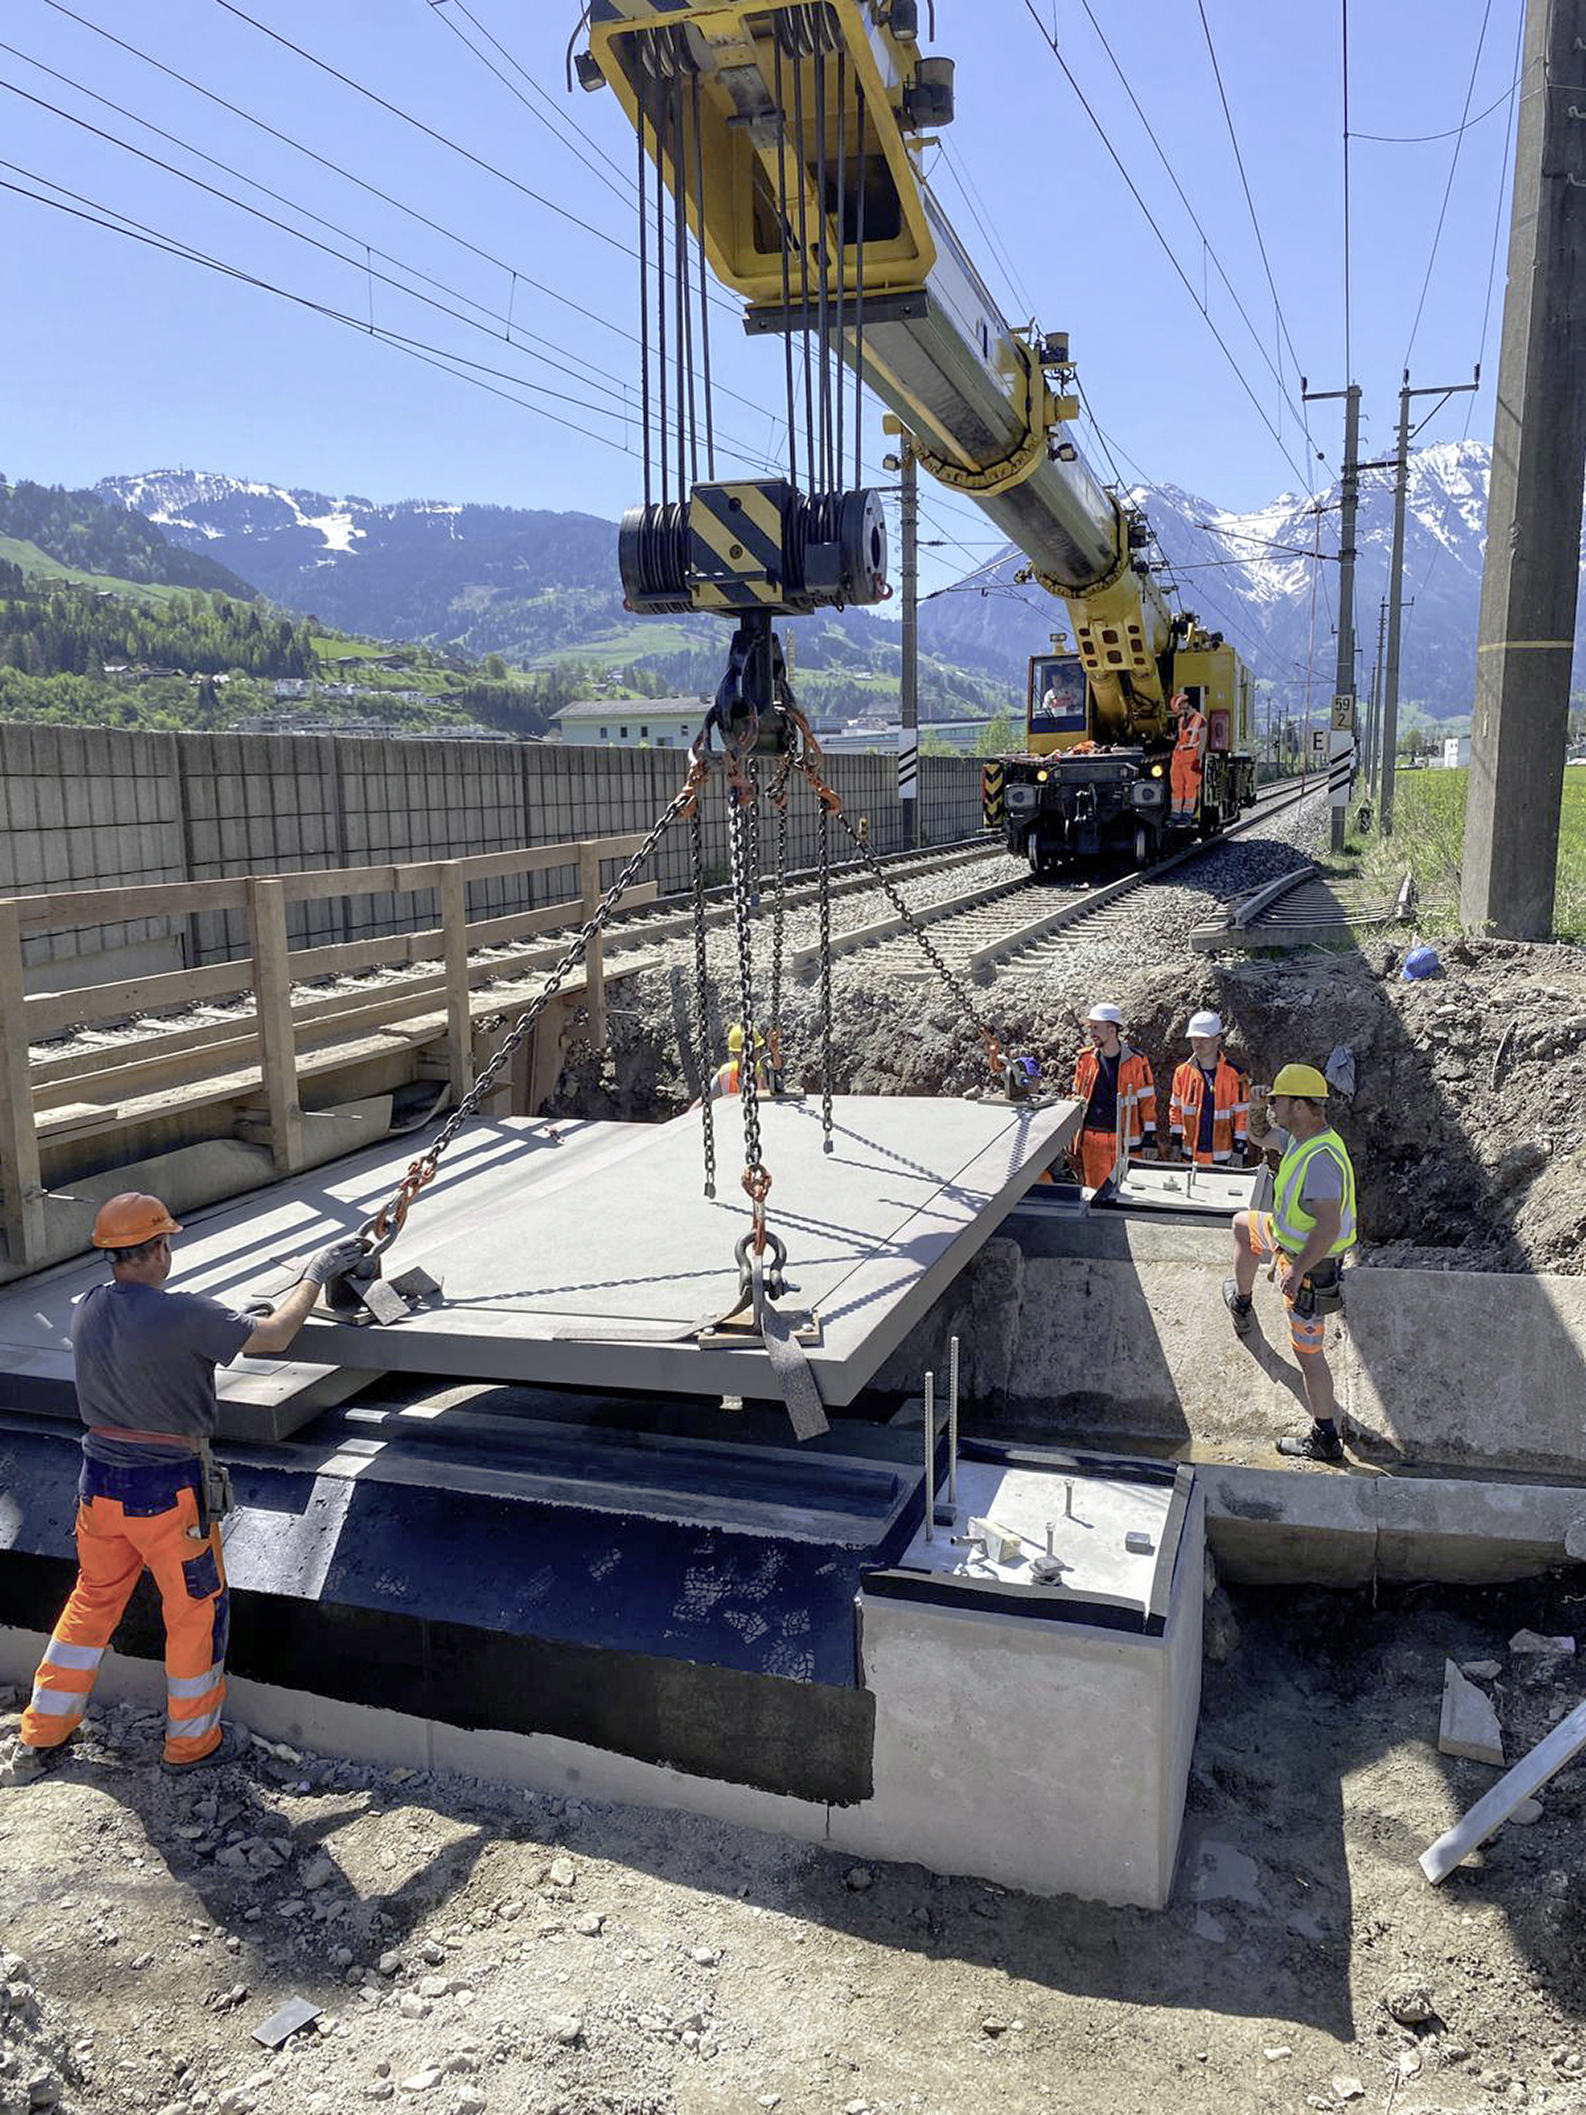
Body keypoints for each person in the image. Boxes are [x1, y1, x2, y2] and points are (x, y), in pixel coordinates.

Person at [1, 1194, 365, 1783]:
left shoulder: (90, 1308)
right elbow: (274, 1336)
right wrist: (314, 1276)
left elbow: (159, 1339)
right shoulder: (187, 1315)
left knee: (91, 1603)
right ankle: (192, 1743)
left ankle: (42, 1732)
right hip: (169, 1495)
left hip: (98, 1490)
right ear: (160, 1248)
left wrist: (225, 1324)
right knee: (195, 1611)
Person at [1222, 1065, 1358, 1463]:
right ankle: (1242, 1302)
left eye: (1278, 1100)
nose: (1273, 1105)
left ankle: (1326, 1437)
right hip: (1284, 1240)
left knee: (1308, 1355)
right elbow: (1259, 1134)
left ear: (1299, 1105)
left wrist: (1297, 1271)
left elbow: (1329, 1226)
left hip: (1310, 1266)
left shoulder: (1320, 1160)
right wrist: (1254, 1106)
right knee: (1244, 1225)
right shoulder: (1302, 1139)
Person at [1068, 1002, 1157, 1191]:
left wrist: (1150, 1138)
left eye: (1096, 1027)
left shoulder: (1136, 1061)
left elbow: (1147, 1103)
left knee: (1130, 1192)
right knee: (1095, 1194)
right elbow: (1075, 1096)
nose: (1091, 1032)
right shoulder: (1084, 1060)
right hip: (1093, 1139)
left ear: (1112, 1029)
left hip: (1126, 1140)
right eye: (1090, 1027)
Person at [1167, 1011, 1256, 1168]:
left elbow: (1242, 1115)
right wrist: (1175, 1143)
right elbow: (1176, 1110)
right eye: (1195, 1039)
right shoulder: (1182, 1073)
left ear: (1218, 1039)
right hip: (1190, 1156)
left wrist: (1239, 1150)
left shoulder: (1235, 1075)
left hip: (1223, 1158)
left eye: (1204, 1039)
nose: (1198, 1043)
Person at [1168, 689, 1207, 825]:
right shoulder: (1181, 720)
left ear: (1184, 704)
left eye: (1178, 707)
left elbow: (1202, 741)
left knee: (1190, 787)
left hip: (1191, 757)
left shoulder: (1200, 720)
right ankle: (1175, 814)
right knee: (1177, 787)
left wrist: (1198, 759)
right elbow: (1180, 738)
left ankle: (1187, 815)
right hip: (1178, 757)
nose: (1178, 710)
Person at [709, 1022, 772, 1100]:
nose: (754, 1054)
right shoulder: (725, 1074)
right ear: (735, 1053)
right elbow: (704, 1101)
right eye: (748, 1051)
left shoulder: (765, 1071)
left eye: (756, 1050)